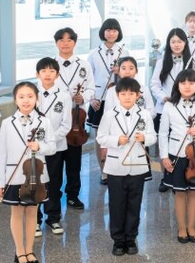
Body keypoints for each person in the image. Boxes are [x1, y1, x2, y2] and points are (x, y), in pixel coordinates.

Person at [0, 82, 56, 263]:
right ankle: (19, 251)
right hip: (14, 176)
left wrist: (40, 147)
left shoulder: (44, 121)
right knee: (17, 213)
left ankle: (29, 250)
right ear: (15, 100)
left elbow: (52, 147)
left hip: (37, 175)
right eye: (21, 97)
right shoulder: (7, 123)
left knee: (32, 213)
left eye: (30, 96)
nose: (26, 100)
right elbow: (1, 154)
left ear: (37, 98)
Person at [97, 77, 156, 256]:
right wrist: (116, 140)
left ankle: (131, 238)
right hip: (116, 166)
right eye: (123, 94)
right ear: (117, 95)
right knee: (116, 204)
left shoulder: (145, 114)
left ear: (138, 95)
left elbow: (153, 136)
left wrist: (144, 138)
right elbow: (100, 138)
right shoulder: (109, 115)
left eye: (131, 94)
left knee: (134, 203)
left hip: (137, 165)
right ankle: (117, 240)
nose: (127, 97)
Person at [158, 70, 195, 243]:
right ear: (177, 85)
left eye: (191, 83)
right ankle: (182, 227)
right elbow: (163, 133)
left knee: (194, 192)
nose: (187, 86)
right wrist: (164, 157)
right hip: (177, 153)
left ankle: (191, 226)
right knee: (179, 193)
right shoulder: (170, 105)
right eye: (183, 83)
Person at [54, 27, 95, 210]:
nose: (65, 43)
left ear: (75, 43)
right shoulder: (50, 65)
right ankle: (53, 195)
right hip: (55, 118)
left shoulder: (84, 65)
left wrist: (83, 97)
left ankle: (73, 195)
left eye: (69, 40)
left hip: (76, 120)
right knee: (54, 162)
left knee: (74, 162)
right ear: (56, 43)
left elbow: (92, 88)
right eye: (61, 40)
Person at [150, 28, 195, 193]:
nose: (176, 45)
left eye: (180, 41)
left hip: (185, 111)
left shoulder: (192, 62)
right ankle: (165, 177)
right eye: (173, 41)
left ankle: (183, 176)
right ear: (169, 44)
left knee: (182, 144)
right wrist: (163, 97)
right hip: (164, 109)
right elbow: (154, 84)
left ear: (185, 43)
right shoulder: (162, 62)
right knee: (165, 143)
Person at [87, 18, 129, 184]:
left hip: (120, 97)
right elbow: (88, 79)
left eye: (114, 30)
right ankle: (103, 171)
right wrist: (92, 99)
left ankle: (119, 169)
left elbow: (130, 76)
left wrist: (120, 71)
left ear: (119, 33)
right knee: (101, 137)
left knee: (120, 133)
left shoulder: (124, 52)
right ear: (103, 32)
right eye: (108, 30)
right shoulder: (93, 53)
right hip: (100, 98)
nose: (111, 33)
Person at [34, 57, 72, 236]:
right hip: (34, 147)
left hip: (56, 146)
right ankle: (35, 219)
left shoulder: (64, 96)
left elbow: (66, 125)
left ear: (57, 75)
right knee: (35, 182)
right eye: (43, 71)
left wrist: (50, 140)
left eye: (51, 71)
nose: (47, 74)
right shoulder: (31, 93)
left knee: (54, 182)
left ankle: (53, 217)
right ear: (37, 74)